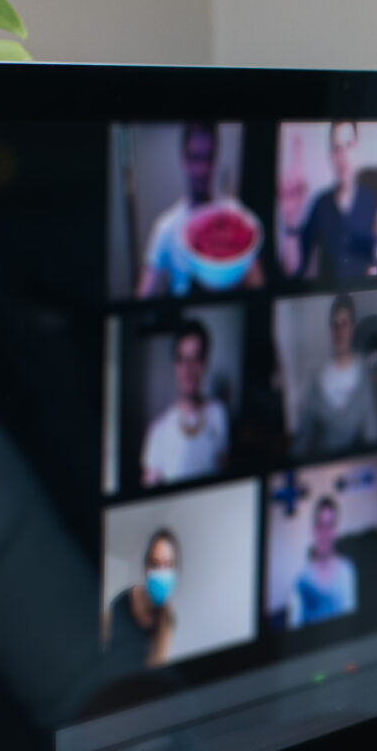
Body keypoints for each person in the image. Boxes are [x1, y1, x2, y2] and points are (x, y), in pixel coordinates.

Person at [137, 122, 262, 297]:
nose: (202, 170)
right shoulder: (165, 227)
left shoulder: (235, 215)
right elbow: (143, 296)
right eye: (196, 158)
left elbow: (258, 283)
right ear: (184, 161)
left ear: (215, 159)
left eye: (208, 158)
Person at [140, 318, 231, 487]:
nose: (188, 370)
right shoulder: (157, 430)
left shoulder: (219, 413)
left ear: (205, 363)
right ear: (175, 365)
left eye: (195, 359)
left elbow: (224, 473)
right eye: (182, 359)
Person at [295, 121, 377, 280]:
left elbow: (373, 258)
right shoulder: (319, 205)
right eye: (337, 148)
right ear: (331, 155)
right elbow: (302, 268)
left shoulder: (370, 199)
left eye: (348, 145)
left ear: (357, 148)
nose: (343, 156)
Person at [296, 295, 377, 455]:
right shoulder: (317, 378)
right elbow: (303, 437)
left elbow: (372, 431)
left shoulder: (363, 373)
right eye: (335, 325)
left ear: (352, 328)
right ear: (330, 329)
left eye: (344, 324)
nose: (339, 331)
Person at [101, 529, 179, 671]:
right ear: (146, 567)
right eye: (155, 564)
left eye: (168, 565)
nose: (162, 572)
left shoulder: (167, 618)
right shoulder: (120, 603)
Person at [288, 496, 359, 628]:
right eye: (320, 525)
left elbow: (351, 623)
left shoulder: (347, 571)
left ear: (336, 530)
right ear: (313, 531)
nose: (325, 533)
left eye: (329, 526)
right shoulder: (300, 582)